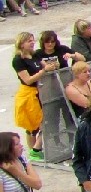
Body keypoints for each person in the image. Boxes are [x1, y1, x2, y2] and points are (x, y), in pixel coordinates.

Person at [12, 32, 52, 161]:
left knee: (44, 121)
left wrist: (49, 66)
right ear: (21, 43)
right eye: (29, 41)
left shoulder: (35, 55)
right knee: (32, 125)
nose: (32, 42)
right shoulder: (18, 60)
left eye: (33, 40)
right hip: (28, 93)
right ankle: (33, 151)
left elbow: (43, 64)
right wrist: (43, 71)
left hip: (41, 91)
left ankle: (36, 149)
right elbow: (28, 80)